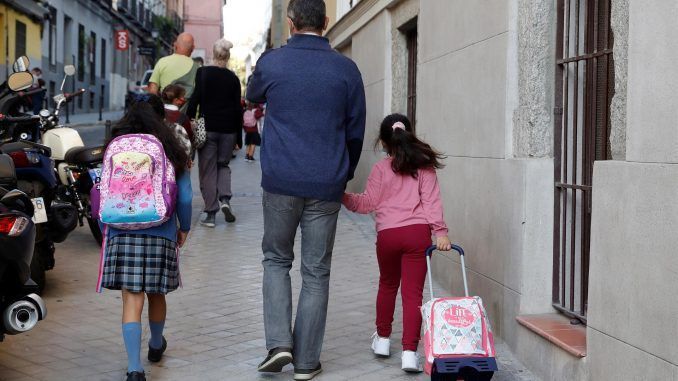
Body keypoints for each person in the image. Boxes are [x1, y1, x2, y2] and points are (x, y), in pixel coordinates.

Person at [246, 0, 366, 379]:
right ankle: (306, 362)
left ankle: (279, 344)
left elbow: (252, 94)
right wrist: (341, 174)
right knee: (316, 272)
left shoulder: (273, 62)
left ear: (292, 23)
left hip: (281, 180)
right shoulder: (346, 69)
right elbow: (355, 131)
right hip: (326, 182)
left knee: (276, 260)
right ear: (327, 22)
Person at [342, 114, 452, 373]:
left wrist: (342, 197)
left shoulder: (381, 169)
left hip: (388, 236)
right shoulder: (424, 167)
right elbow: (431, 203)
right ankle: (409, 354)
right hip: (417, 235)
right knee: (413, 294)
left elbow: (367, 203)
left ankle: (381, 341)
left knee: (388, 284)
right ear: (409, 135)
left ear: (384, 141)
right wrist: (441, 232)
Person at [97, 99, 192, 381]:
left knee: (131, 299)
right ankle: (155, 344)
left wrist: (106, 227)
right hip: (160, 230)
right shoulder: (172, 151)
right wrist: (183, 227)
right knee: (156, 292)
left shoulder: (115, 146)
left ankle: (134, 369)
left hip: (120, 232)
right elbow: (185, 197)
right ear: (161, 120)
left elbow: (102, 189)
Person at [187, 38, 242, 227]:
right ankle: (225, 199)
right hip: (229, 130)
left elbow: (196, 98)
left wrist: (189, 119)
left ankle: (210, 213)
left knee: (207, 170)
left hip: (208, 128)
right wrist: (239, 138)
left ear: (213, 53)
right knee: (223, 166)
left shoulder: (203, 73)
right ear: (228, 57)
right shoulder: (233, 78)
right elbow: (238, 108)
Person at [148, 33, 199, 111]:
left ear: (175, 45)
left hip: (164, 115)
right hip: (186, 118)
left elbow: (152, 90)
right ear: (193, 48)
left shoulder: (162, 62)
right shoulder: (197, 68)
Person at [161, 84, 194, 150]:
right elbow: (189, 137)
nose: (184, 99)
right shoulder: (183, 118)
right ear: (176, 100)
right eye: (183, 97)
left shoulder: (157, 113)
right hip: (177, 153)